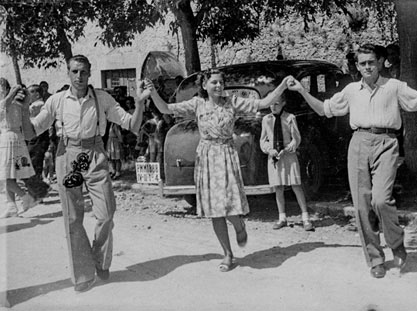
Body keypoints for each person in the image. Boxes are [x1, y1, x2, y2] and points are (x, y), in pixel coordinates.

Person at [287, 43, 417, 279]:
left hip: (386, 142)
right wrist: (302, 91)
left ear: (380, 63)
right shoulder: (352, 90)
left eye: (371, 62)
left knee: (381, 200)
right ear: (357, 66)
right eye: (363, 63)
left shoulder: (394, 86)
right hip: (358, 143)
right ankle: (376, 259)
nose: (367, 66)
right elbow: (325, 109)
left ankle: (396, 243)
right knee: (362, 205)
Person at [18, 55, 153, 292]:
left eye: (83, 72)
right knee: (73, 218)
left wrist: (140, 103)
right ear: (68, 73)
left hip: (95, 153)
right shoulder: (58, 101)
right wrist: (21, 109)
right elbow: (32, 132)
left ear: (90, 73)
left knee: (106, 214)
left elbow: (131, 124)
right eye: (75, 72)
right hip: (67, 154)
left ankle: (99, 259)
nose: (79, 76)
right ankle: (82, 274)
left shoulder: (101, 98)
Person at [149, 69, 294, 272]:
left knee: (227, 203)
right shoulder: (197, 104)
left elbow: (262, 103)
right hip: (207, 157)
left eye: (221, 82)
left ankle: (238, 225)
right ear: (205, 86)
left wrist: (282, 86)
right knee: (214, 210)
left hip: (226, 155)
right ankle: (227, 254)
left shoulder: (232, 101)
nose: (218, 86)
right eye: (214, 83)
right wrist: (152, 92)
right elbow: (165, 108)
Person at [260, 92, 314, 231]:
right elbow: (263, 140)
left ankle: (305, 218)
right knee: (278, 187)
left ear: (283, 103)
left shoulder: (290, 118)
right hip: (275, 157)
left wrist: (290, 146)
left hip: (289, 156)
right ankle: (282, 217)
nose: (273, 106)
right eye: (271, 103)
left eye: (277, 103)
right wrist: (269, 149)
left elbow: (296, 138)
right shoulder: (266, 119)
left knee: (296, 185)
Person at [0, 78, 37, 218]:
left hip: (9, 138)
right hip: (14, 138)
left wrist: (14, 92)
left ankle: (26, 197)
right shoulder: (12, 103)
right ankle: (11, 206)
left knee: (4, 175)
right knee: (9, 174)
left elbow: (3, 106)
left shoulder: (8, 103)